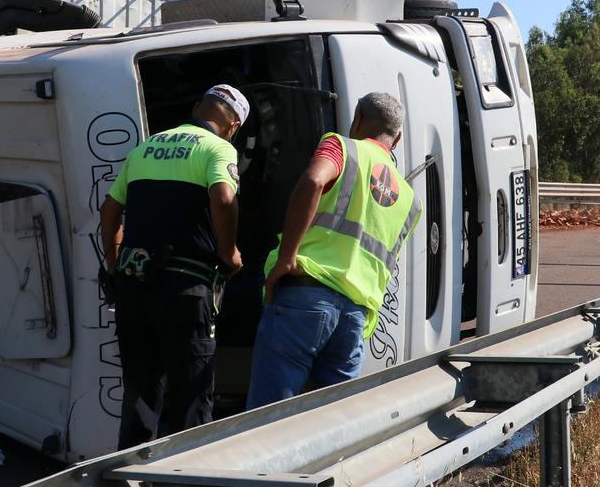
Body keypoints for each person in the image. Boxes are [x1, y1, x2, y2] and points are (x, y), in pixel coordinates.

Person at [246, 92, 422, 409]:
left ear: (357, 119)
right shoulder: (410, 199)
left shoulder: (342, 146)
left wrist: (286, 258)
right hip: (355, 316)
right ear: (396, 140)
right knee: (334, 422)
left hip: (305, 296)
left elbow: (314, 180)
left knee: (268, 419)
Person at [99, 84, 248, 449]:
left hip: (134, 287)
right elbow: (224, 198)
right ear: (233, 127)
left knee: (140, 393)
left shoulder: (145, 147)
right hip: (185, 289)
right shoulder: (218, 148)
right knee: (191, 398)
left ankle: (129, 475)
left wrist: (114, 262)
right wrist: (229, 253)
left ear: (199, 107)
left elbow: (109, 210)